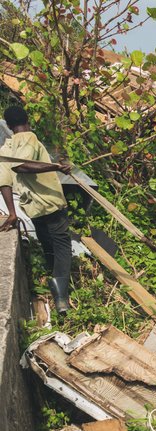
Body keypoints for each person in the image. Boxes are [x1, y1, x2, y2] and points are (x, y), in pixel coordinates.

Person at [0, 106, 73, 314]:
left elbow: (4, 182)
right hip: (49, 202)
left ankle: (55, 284)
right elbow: (22, 166)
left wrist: (13, 213)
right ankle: (61, 298)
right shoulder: (29, 138)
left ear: (8, 125)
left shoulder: (6, 149)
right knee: (62, 247)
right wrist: (55, 167)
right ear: (26, 119)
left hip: (32, 206)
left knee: (49, 245)